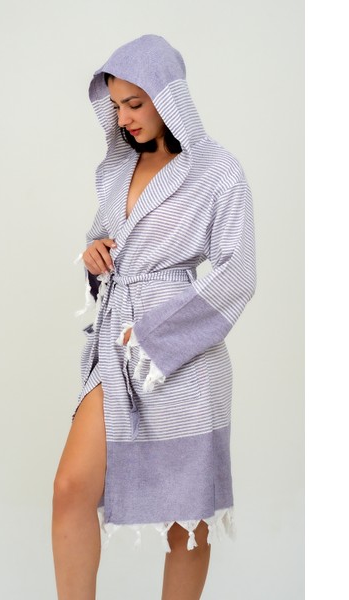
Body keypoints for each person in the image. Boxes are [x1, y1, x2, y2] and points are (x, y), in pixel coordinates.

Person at [52, 34, 256, 600]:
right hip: (115, 348)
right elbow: (112, 245)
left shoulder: (217, 171)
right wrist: (96, 254)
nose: (125, 118)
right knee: (71, 488)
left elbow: (239, 272)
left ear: (169, 97)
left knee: (185, 518)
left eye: (136, 103)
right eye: (117, 105)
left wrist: (154, 336)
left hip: (185, 353)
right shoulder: (118, 169)